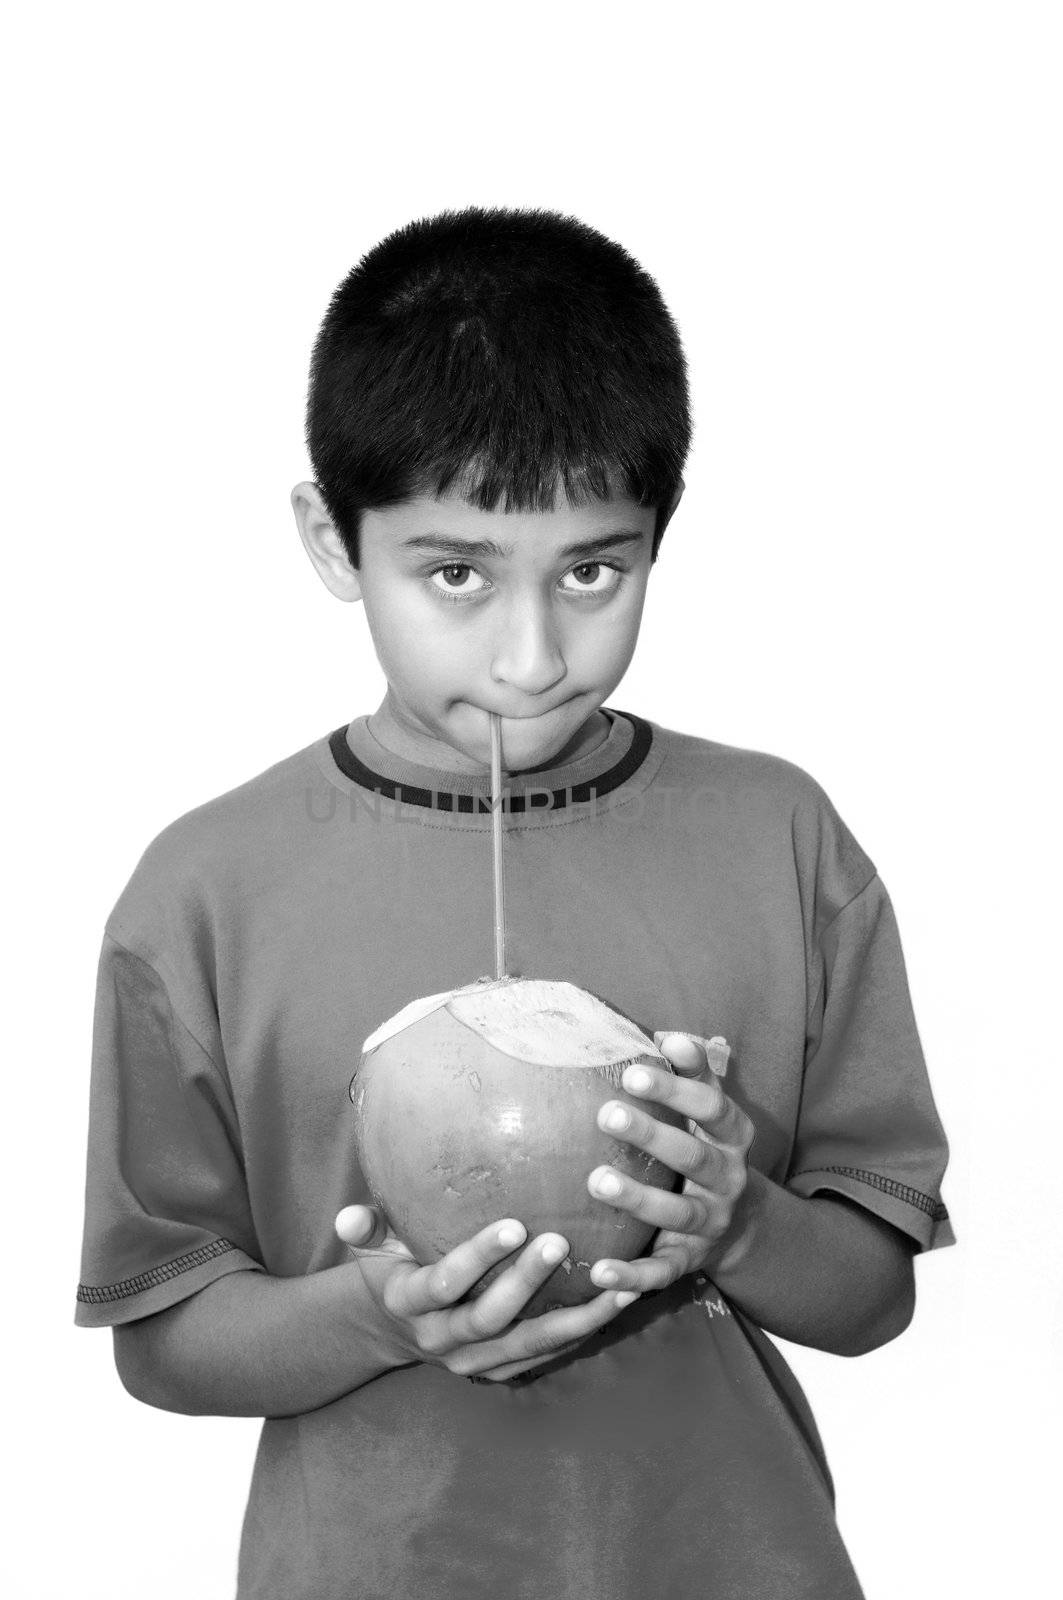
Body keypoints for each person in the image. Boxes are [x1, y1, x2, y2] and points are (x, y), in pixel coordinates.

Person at [75, 207, 954, 1600]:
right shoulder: (204, 893)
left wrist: (736, 1221)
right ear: (330, 540)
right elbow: (163, 1337)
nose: (534, 656)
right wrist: (376, 1316)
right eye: (455, 574)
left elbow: (873, 1299)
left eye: (593, 569)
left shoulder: (780, 837)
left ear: (662, 532)